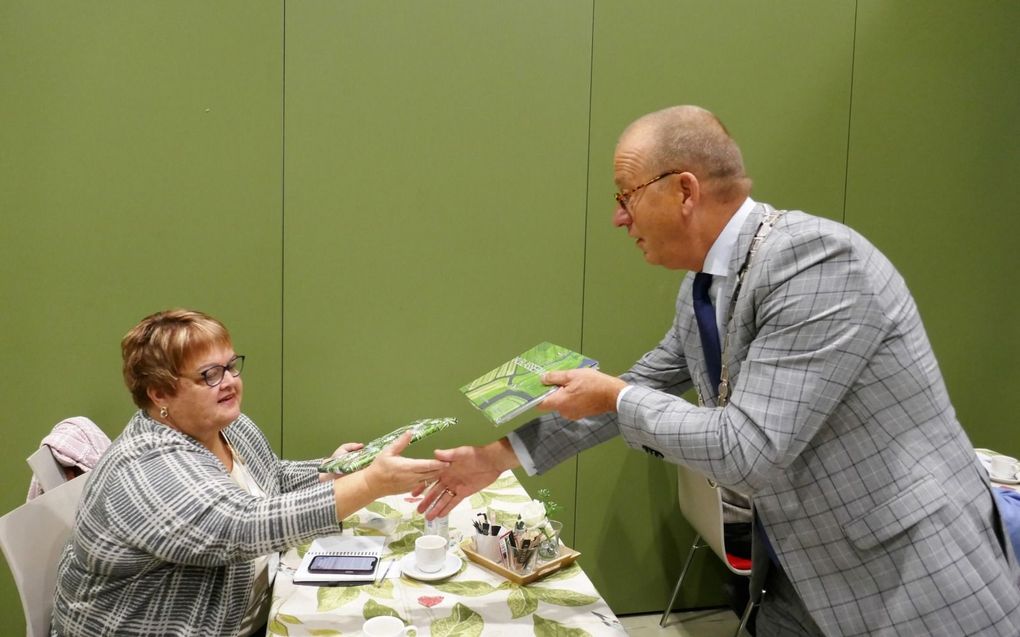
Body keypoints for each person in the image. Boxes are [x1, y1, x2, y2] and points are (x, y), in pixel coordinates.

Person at [417, 105, 1020, 635]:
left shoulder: (817, 263)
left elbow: (748, 448)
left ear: (683, 190)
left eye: (624, 196)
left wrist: (616, 398)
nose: (618, 219)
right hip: (794, 576)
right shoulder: (703, 286)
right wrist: (498, 458)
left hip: (908, 577)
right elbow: (646, 381)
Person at [52, 309, 446, 637]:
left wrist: (333, 471)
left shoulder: (226, 426)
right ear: (159, 393)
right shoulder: (147, 468)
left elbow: (270, 479)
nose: (229, 383)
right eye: (209, 375)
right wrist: (370, 483)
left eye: (230, 366)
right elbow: (243, 527)